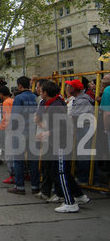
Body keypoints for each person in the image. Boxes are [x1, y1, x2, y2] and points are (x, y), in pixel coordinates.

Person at [39, 81, 90, 213]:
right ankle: (79, 196)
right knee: (64, 171)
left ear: (45, 93)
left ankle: (69, 202)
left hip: (61, 144)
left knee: (60, 172)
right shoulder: (55, 104)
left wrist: (48, 132)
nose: (39, 92)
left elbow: (62, 127)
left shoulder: (55, 106)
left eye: (41, 90)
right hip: (59, 142)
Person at [7, 76, 39, 195]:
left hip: (20, 132)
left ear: (20, 86)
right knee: (33, 161)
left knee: (18, 160)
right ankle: (35, 186)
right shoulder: (36, 97)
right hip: (34, 132)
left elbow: (15, 117)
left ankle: (19, 186)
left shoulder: (19, 98)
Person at [66, 79, 95, 184]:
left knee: (84, 153)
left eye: (69, 86)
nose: (67, 88)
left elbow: (75, 116)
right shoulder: (79, 99)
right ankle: (88, 177)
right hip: (83, 128)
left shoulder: (82, 100)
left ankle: (84, 178)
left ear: (74, 89)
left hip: (84, 128)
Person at [0, 86, 14, 184]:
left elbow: (7, 118)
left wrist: (1, 127)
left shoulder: (6, 102)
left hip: (10, 130)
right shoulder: (13, 101)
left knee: (9, 154)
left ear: (1, 94)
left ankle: (12, 175)